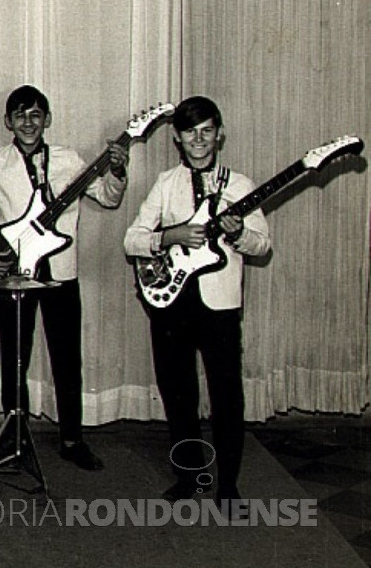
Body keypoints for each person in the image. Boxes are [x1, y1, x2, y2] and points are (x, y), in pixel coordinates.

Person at [0, 84, 129, 469]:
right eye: (20, 115)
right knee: (15, 357)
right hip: (14, 274)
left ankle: (72, 439)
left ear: (47, 119)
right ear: (7, 122)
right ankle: (14, 438)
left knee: (68, 359)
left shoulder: (70, 160)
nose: (28, 122)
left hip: (62, 274)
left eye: (36, 115)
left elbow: (109, 196)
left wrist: (116, 169)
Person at [124, 96, 270, 508]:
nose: (199, 139)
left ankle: (228, 485)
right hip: (171, 304)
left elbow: (262, 246)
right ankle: (189, 476)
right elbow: (132, 238)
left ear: (219, 134)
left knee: (227, 396)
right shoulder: (166, 183)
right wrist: (169, 237)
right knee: (177, 392)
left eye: (207, 130)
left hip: (220, 306)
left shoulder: (239, 185)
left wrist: (239, 233)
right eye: (190, 132)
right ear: (177, 138)